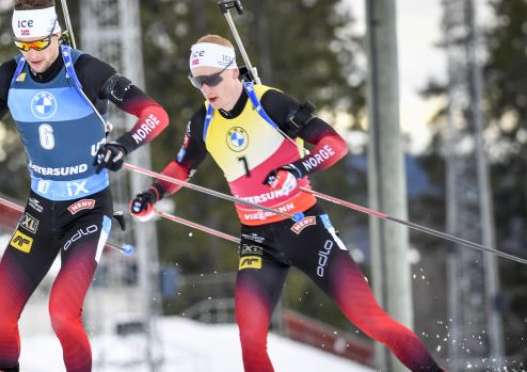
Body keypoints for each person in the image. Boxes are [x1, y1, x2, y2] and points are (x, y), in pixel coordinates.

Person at [129, 34, 444, 372]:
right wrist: (153, 194)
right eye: (198, 81)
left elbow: (334, 144)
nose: (206, 89)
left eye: (212, 78)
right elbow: (182, 166)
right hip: (257, 240)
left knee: (374, 322)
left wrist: (297, 169)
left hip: (304, 226)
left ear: (233, 72)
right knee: (250, 339)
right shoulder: (202, 122)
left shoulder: (270, 103)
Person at [0, 0, 169, 372]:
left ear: (57, 34)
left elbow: (155, 114)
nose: (33, 53)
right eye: (24, 45)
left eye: (40, 43)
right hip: (40, 212)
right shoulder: (8, 76)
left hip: (88, 212)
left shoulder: (86, 71)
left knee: (62, 314)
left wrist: (123, 146)